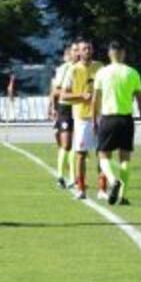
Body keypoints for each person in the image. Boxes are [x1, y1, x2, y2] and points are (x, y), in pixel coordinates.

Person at [92, 41, 141, 205]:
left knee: (103, 155)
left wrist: (94, 120)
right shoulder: (132, 72)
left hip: (108, 118)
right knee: (125, 158)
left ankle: (112, 180)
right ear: (123, 54)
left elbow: (95, 99)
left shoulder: (102, 73)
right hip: (126, 119)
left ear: (110, 54)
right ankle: (123, 195)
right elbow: (140, 101)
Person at [60, 39, 103, 199]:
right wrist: (81, 96)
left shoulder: (100, 67)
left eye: (89, 48)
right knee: (81, 154)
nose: (87, 51)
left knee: (102, 153)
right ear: (78, 52)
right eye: (84, 49)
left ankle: (102, 189)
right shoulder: (73, 70)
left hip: (100, 115)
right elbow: (64, 94)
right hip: (81, 118)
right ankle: (81, 188)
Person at [49, 43, 78, 189]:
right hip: (65, 107)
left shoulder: (85, 68)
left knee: (76, 145)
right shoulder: (64, 69)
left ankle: (73, 177)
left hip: (79, 108)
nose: (77, 53)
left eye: (79, 50)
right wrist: (53, 107)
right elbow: (55, 90)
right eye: (74, 50)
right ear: (69, 53)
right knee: (65, 144)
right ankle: (60, 176)